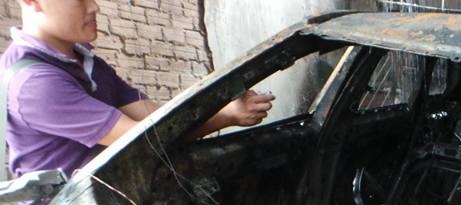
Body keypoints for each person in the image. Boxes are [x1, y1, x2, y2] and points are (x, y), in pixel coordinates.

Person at [1, 0, 275, 185]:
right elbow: (145, 141)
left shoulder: (87, 62)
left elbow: (158, 118)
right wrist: (226, 116)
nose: (95, 6)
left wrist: (220, 105)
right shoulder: (34, 84)